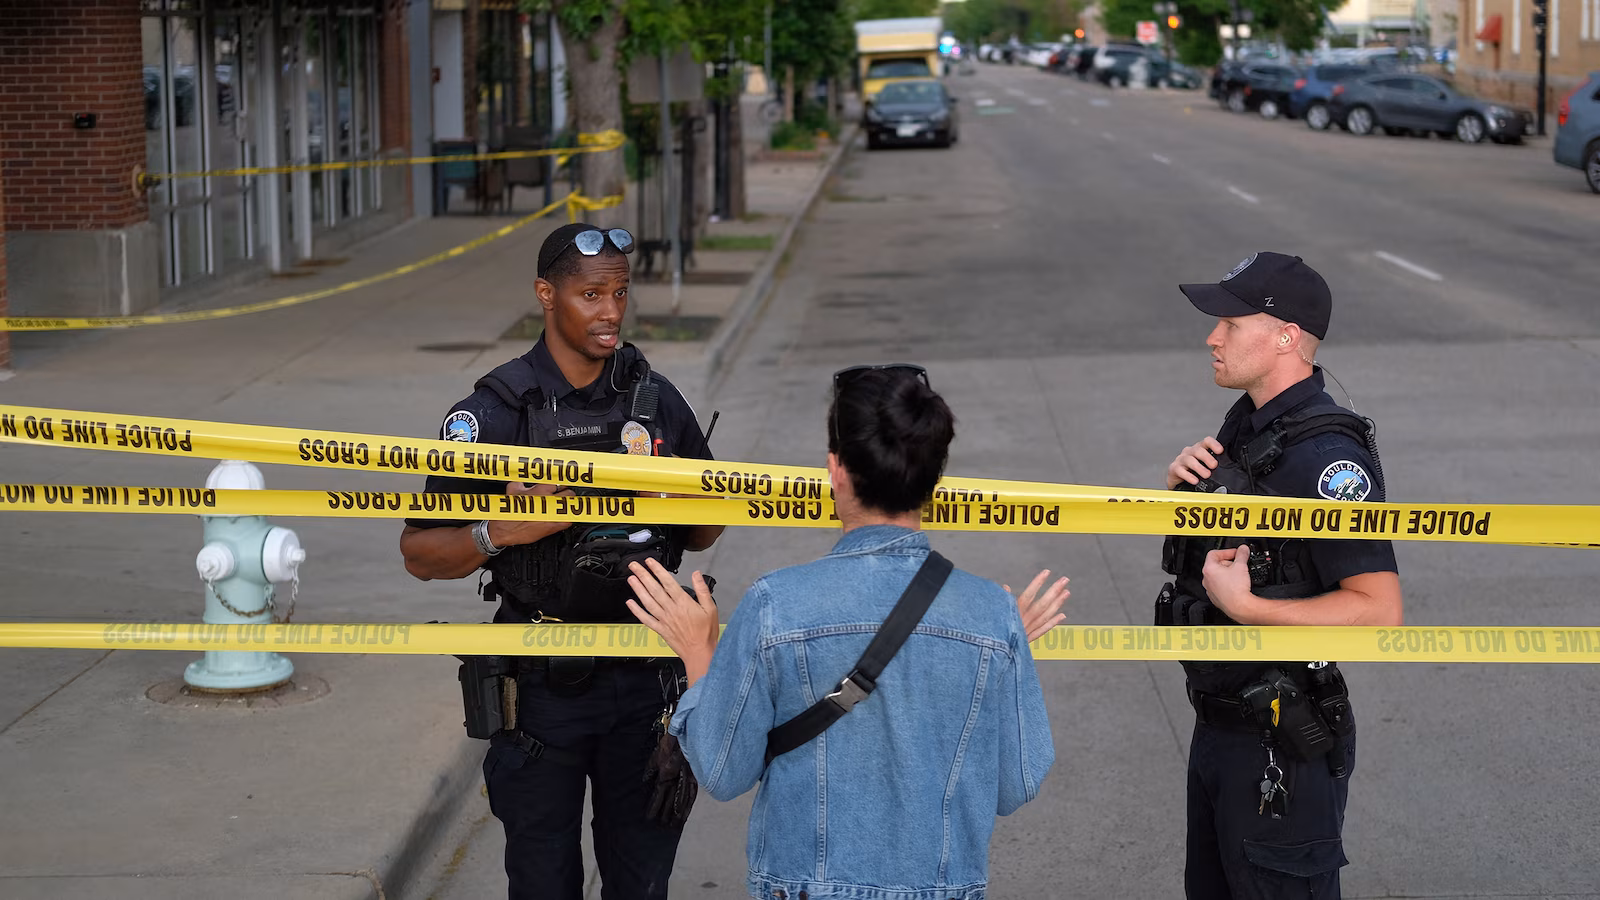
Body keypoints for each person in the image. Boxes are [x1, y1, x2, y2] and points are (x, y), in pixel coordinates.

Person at [624, 364, 1068, 900]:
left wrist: (700, 655)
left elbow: (723, 772)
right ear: (935, 478)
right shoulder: (993, 616)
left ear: (836, 469)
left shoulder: (774, 604)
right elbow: (1016, 782)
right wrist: (994, 649)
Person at [399, 222, 725, 900]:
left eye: (620, 293)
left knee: (641, 882)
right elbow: (420, 554)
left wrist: (675, 495)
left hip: (646, 681)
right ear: (547, 295)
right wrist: (500, 531)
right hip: (541, 687)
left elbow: (706, 533)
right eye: (590, 295)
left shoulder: (656, 398)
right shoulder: (492, 414)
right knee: (543, 882)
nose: (609, 312)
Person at [1160, 252, 1403, 899]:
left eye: (1232, 325)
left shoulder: (1326, 459)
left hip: (1279, 746)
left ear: (1286, 337)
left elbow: (1378, 609)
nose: (1213, 337)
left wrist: (1250, 609)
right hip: (1222, 727)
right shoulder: (1250, 423)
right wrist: (1185, 492)